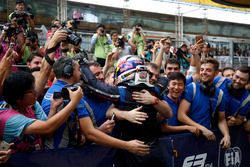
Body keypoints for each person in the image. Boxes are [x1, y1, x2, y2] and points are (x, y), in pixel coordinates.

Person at [42, 56, 149, 155]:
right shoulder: (73, 94)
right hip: (64, 155)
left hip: (50, 153)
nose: (82, 74)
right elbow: (90, 133)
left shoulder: (51, 92)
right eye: (79, 69)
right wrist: (127, 145)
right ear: (69, 72)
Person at [79, 55, 172, 166]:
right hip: (142, 149)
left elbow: (94, 84)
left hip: (138, 151)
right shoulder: (154, 90)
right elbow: (164, 80)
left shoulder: (122, 93)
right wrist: (125, 115)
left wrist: (82, 64)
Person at [0, 71, 83, 152]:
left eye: (33, 88)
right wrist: (74, 102)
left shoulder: (32, 105)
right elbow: (47, 128)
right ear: (18, 98)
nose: (35, 92)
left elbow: (47, 133)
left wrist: (53, 108)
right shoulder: (8, 118)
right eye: (30, 91)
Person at [178, 58, 231, 149]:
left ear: (216, 73)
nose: (204, 72)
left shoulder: (220, 94)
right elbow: (181, 115)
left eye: (208, 70)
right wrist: (203, 129)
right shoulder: (192, 88)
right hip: (188, 138)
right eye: (202, 69)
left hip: (207, 139)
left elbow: (221, 120)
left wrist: (227, 135)